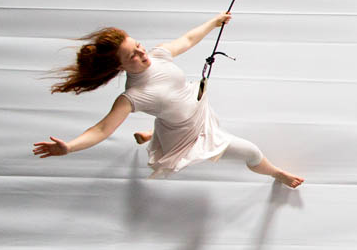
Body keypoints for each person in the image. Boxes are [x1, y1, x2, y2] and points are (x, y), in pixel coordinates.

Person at [32, 12, 304, 188]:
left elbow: (186, 40)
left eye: (137, 45)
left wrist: (213, 22)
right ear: (120, 68)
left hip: (195, 109)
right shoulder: (132, 96)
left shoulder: (158, 55)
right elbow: (102, 130)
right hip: (191, 133)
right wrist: (69, 147)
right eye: (132, 56)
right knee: (252, 151)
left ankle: (152, 134)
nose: (141, 53)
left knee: (167, 118)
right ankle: (276, 174)